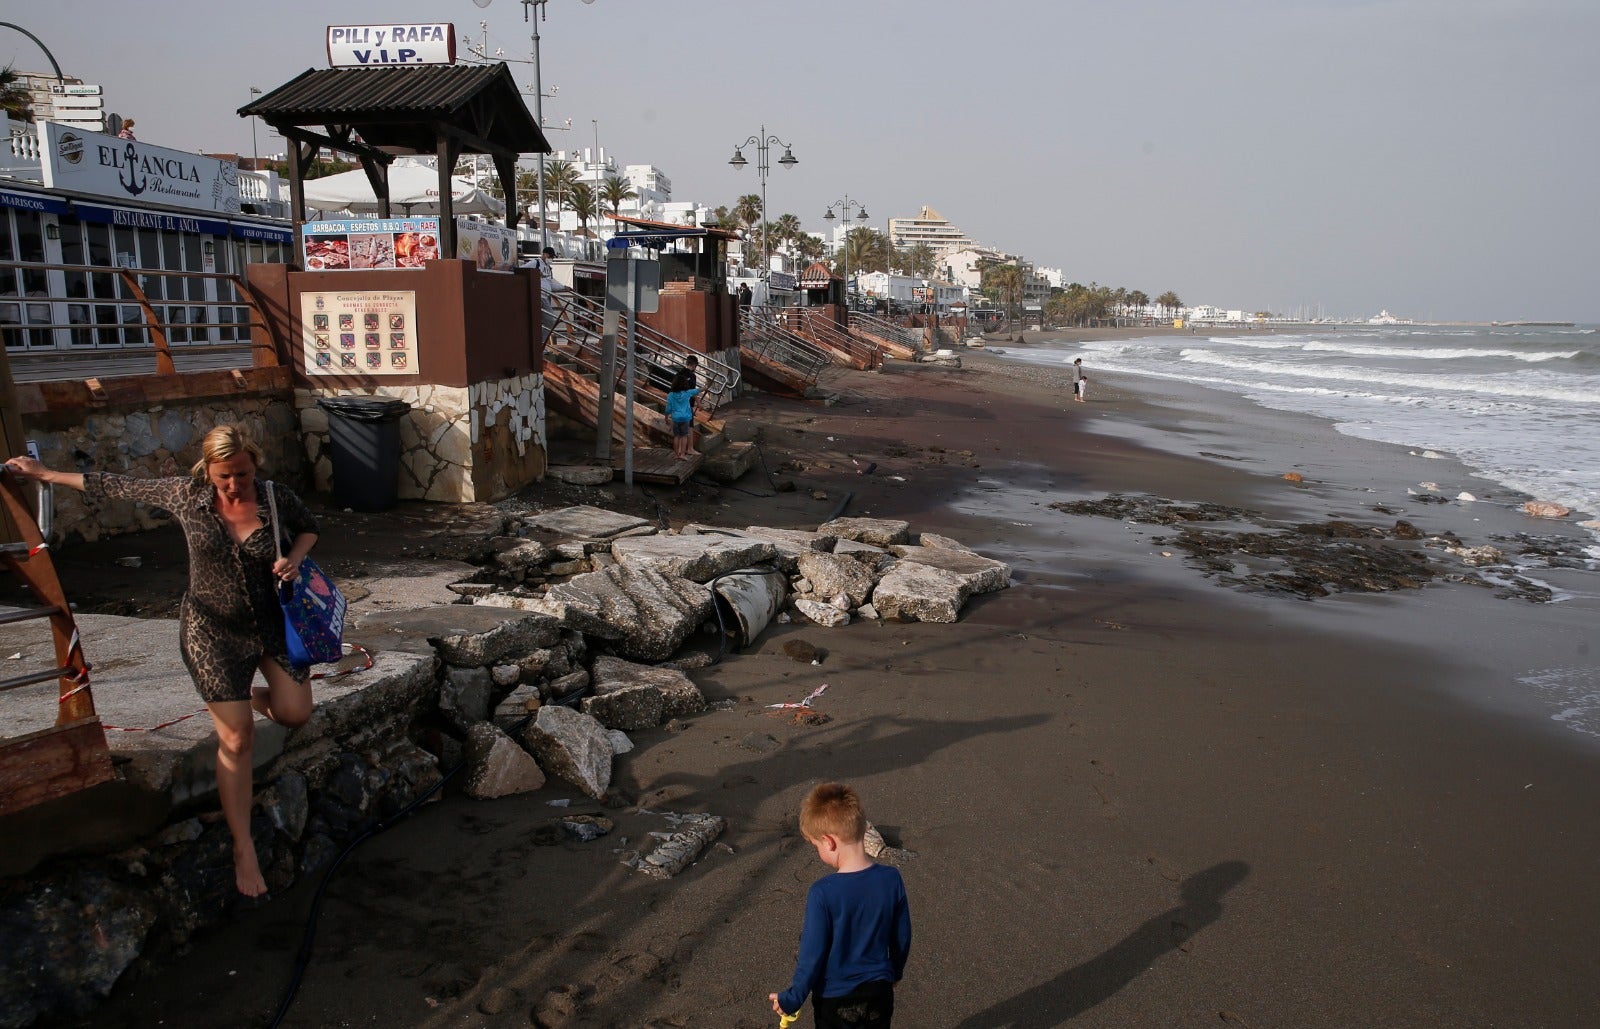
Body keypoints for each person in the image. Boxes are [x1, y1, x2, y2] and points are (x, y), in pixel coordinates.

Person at [3, 426, 320, 898]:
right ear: (207, 470)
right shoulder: (185, 495)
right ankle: (242, 846)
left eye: (242, 474)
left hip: (273, 625)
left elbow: (311, 527)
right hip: (210, 630)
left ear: (254, 464)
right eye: (223, 476)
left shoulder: (276, 497)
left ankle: (234, 700)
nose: (234, 484)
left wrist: (294, 556)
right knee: (236, 738)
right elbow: (115, 484)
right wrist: (45, 473)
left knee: (295, 712)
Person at [770, 783, 911, 1028]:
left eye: (816, 846)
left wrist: (792, 998)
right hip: (879, 991)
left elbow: (811, 955)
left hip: (835, 999)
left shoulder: (823, 893)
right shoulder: (891, 879)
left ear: (829, 842)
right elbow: (902, 936)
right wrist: (895, 972)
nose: (818, 852)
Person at [665, 368, 700, 460]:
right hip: (685, 419)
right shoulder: (687, 393)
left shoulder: (671, 395)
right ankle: (683, 455)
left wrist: (666, 418)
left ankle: (677, 455)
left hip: (675, 418)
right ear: (685, 384)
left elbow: (668, 408)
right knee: (684, 436)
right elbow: (697, 391)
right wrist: (706, 387)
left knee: (676, 437)